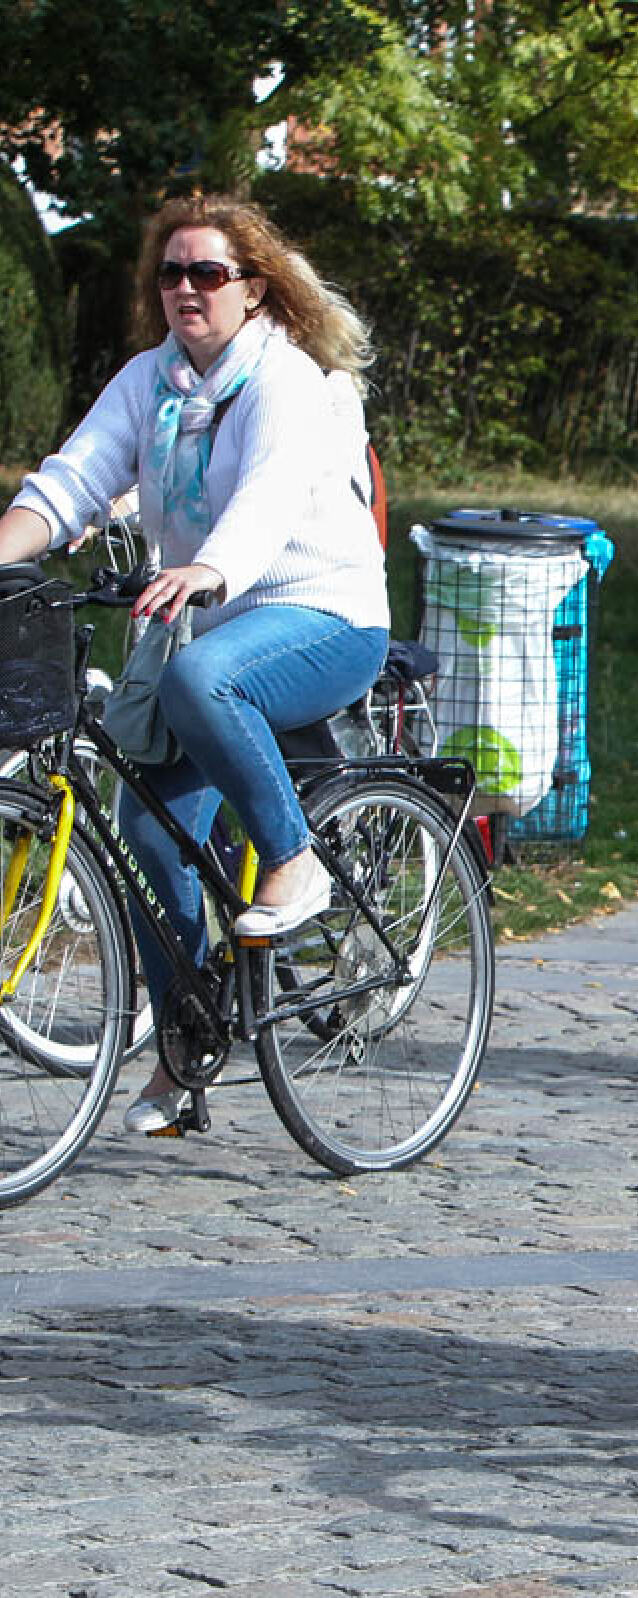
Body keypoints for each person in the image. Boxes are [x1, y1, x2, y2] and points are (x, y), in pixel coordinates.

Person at [0, 194, 390, 1134]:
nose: (186, 288)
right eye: (171, 272)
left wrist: (211, 568)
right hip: (204, 624)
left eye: (208, 272)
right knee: (147, 829)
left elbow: (266, 495)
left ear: (253, 288)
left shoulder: (285, 381)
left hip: (321, 614)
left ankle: (293, 861)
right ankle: (187, 1046)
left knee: (200, 679)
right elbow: (74, 481)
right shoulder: (151, 381)